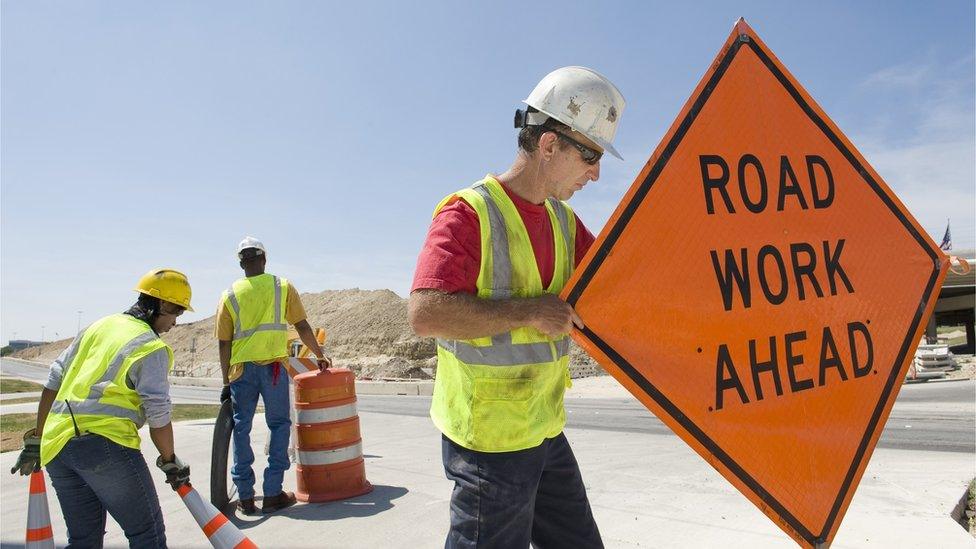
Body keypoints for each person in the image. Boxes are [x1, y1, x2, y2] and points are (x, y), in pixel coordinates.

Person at [408, 66, 626, 548]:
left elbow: (617, 287)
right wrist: (529, 312)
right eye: (589, 155)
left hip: (544, 431)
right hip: (488, 444)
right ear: (549, 145)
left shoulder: (566, 224)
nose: (596, 172)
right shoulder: (468, 214)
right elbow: (425, 314)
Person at [10, 269, 195, 548]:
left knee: (84, 540)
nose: (175, 323)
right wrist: (170, 460)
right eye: (176, 313)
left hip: (59, 449)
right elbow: (158, 415)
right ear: (162, 305)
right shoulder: (150, 346)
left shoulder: (97, 327)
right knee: (148, 535)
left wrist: (38, 437)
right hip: (106, 450)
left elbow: (53, 382)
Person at [216, 236, 330, 515]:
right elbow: (302, 325)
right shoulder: (282, 286)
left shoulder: (229, 294)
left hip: (241, 370)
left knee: (241, 428)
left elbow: (223, 342)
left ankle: (245, 497)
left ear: (241, 262)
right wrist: (318, 354)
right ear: (264, 259)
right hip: (274, 370)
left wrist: (225, 380)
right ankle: (272, 493)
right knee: (279, 425)